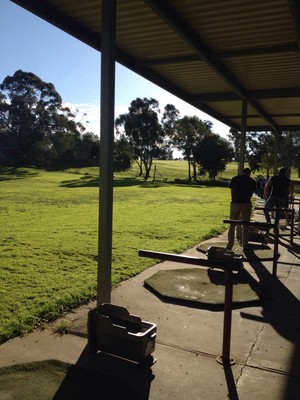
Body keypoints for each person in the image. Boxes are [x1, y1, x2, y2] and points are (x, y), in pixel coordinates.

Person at [226, 168, 257, 251]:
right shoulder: (252, 181)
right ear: (249, 173)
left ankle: (229, 245)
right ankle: (245, 246)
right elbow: (251, 194)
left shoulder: (235, 179)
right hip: (246, 203)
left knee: (232, 224)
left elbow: (232, 191)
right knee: (245, 226)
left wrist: (234, 199)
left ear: (242, 172)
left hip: (235, 203)